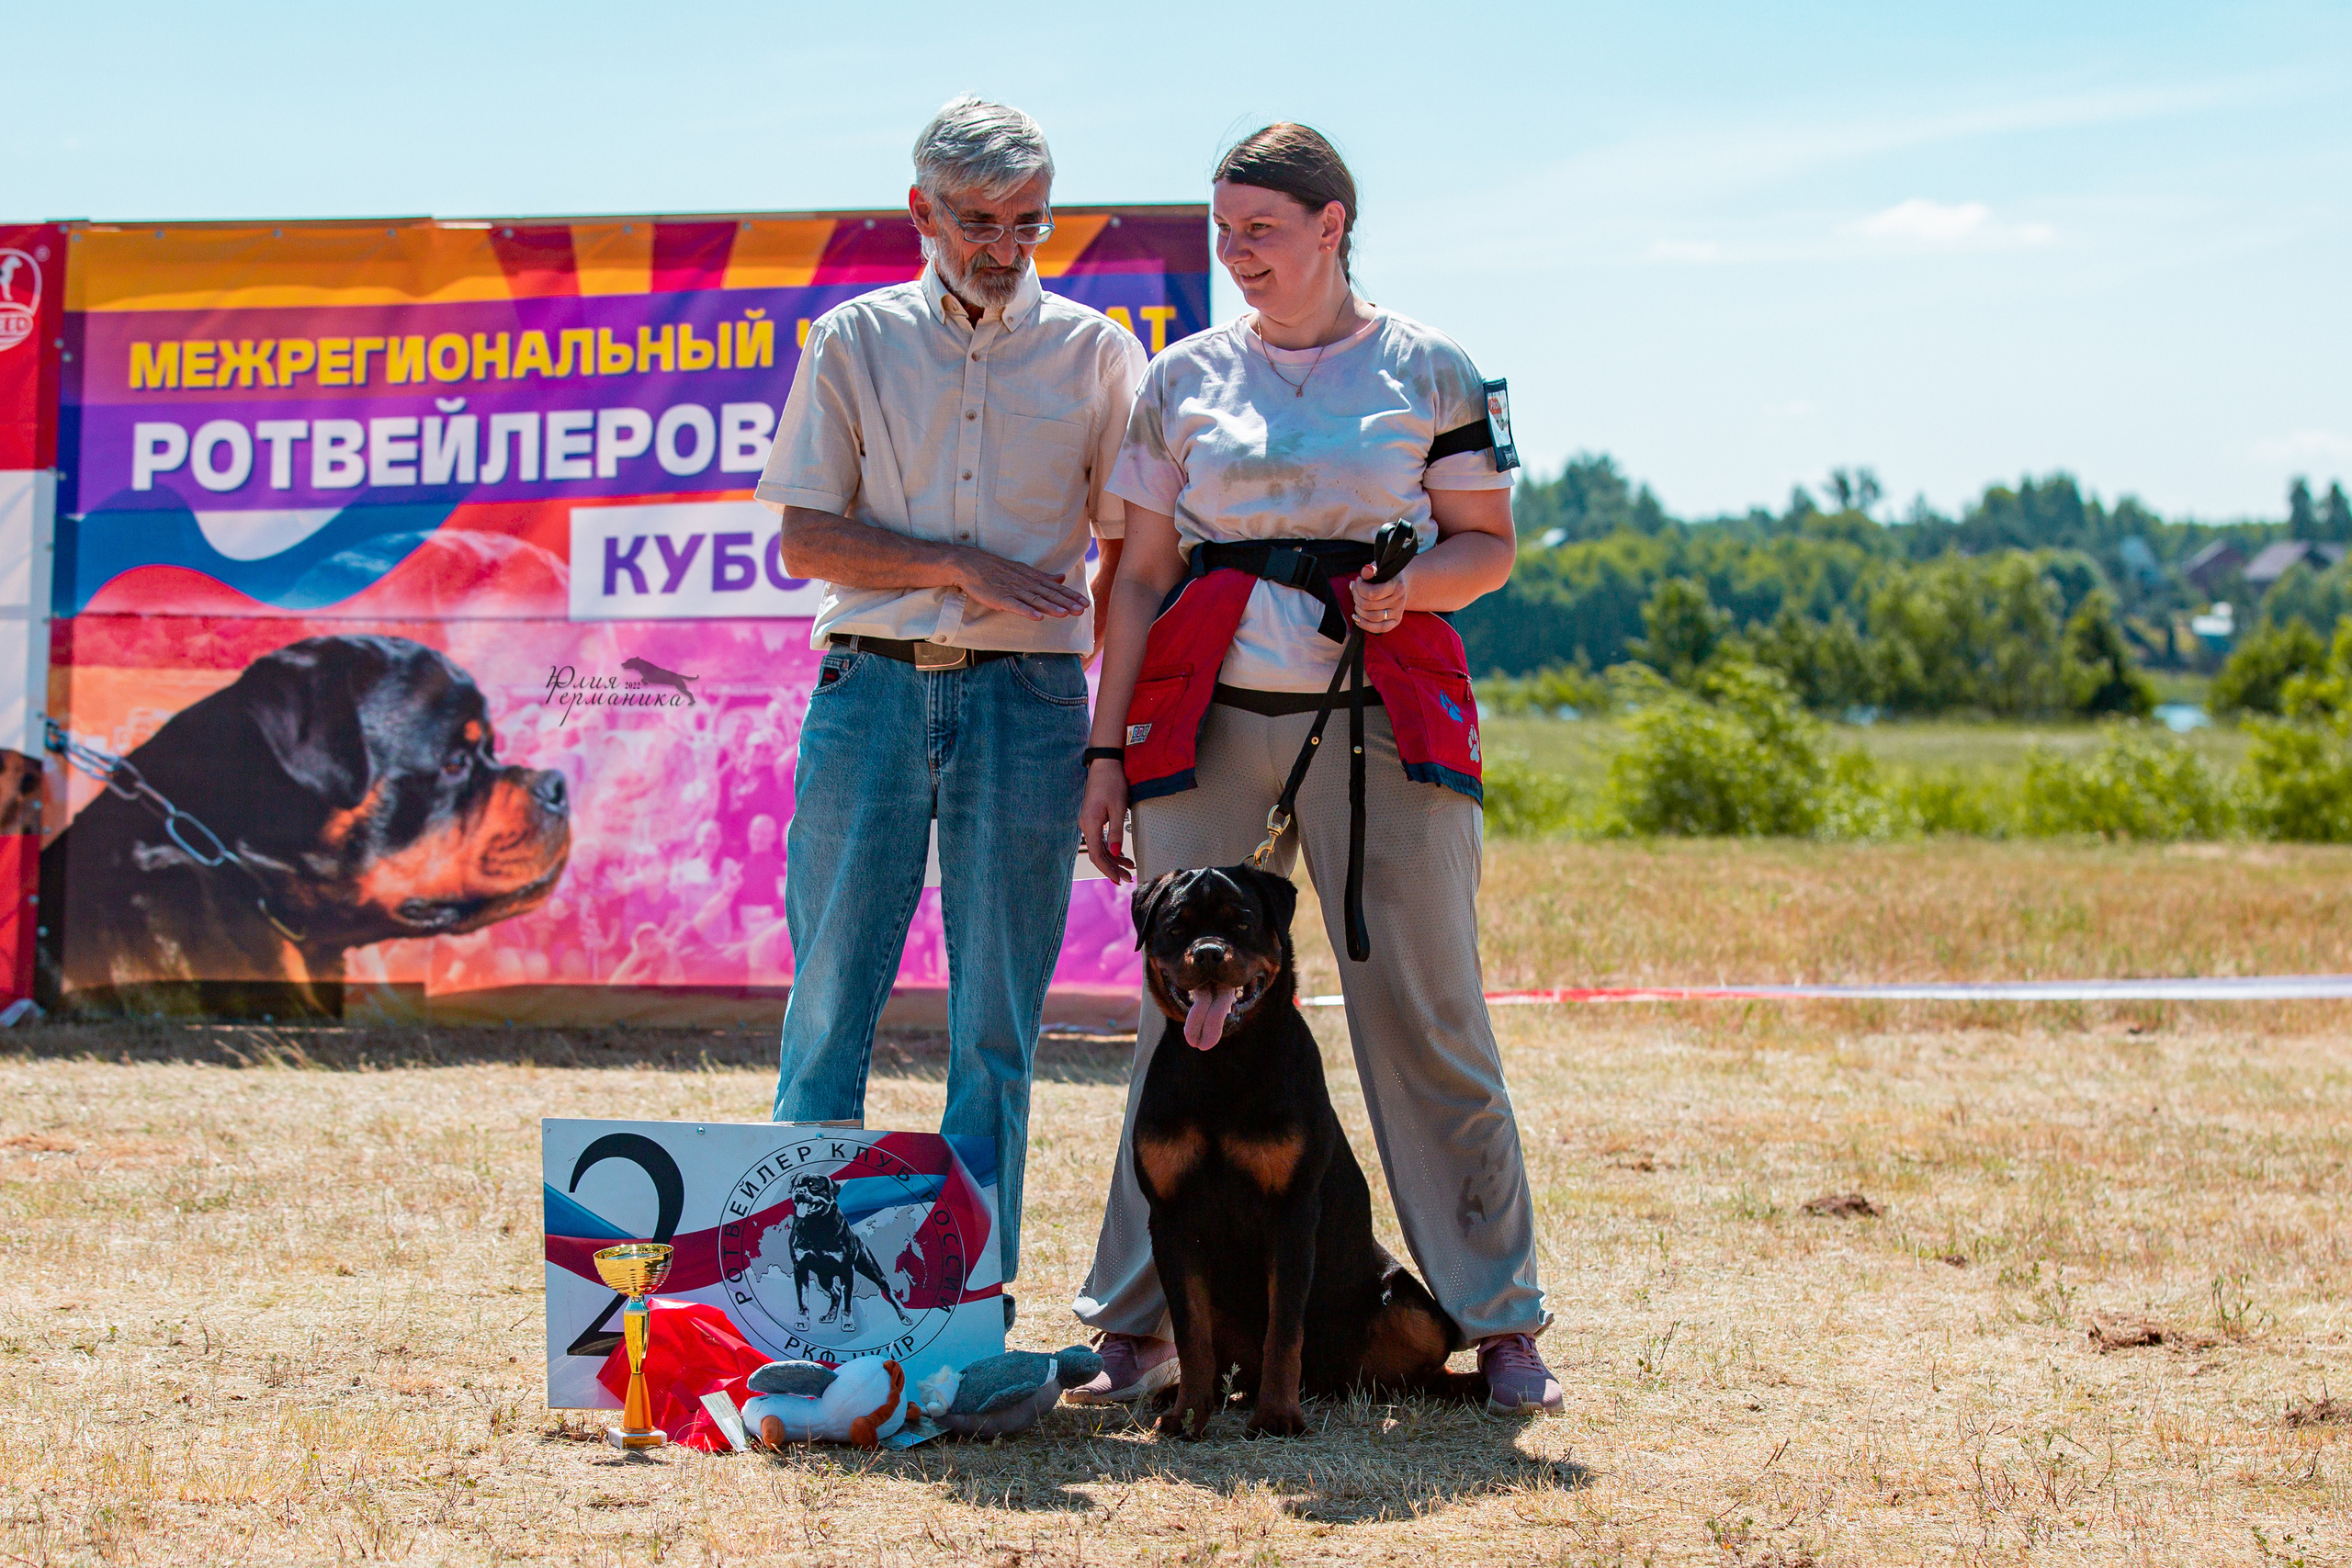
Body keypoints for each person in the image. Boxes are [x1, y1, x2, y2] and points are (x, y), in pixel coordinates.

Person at [1067, 124, 1562, 1414]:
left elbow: (1488, 545)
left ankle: (1500, 1320)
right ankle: (1137, 1326)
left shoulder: (1430, 366)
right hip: (1207, 714)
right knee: (1174, 1011)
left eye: (1262, 230)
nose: (1237, 253)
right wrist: (1106, 751)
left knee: (1427, 1014)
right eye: (1224, 230)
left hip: (1378, 709)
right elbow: (1140, 579)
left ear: (1332, 224)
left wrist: (1411, 590)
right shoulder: (1179, 377)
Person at [758, 96, 1148, 1309]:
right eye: (979, 220)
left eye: (1029, 222)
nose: (1005, 246)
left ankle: (965, 1307)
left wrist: (1092, 717)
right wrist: (957, 566)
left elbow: (1132, 558)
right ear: (919, 211)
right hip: (867, 684)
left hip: (1030, 703)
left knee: (996, 1026)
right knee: (828, 1006)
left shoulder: (1097, 354)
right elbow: (804, 539)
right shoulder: (853, 340)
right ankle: (796, 1305)